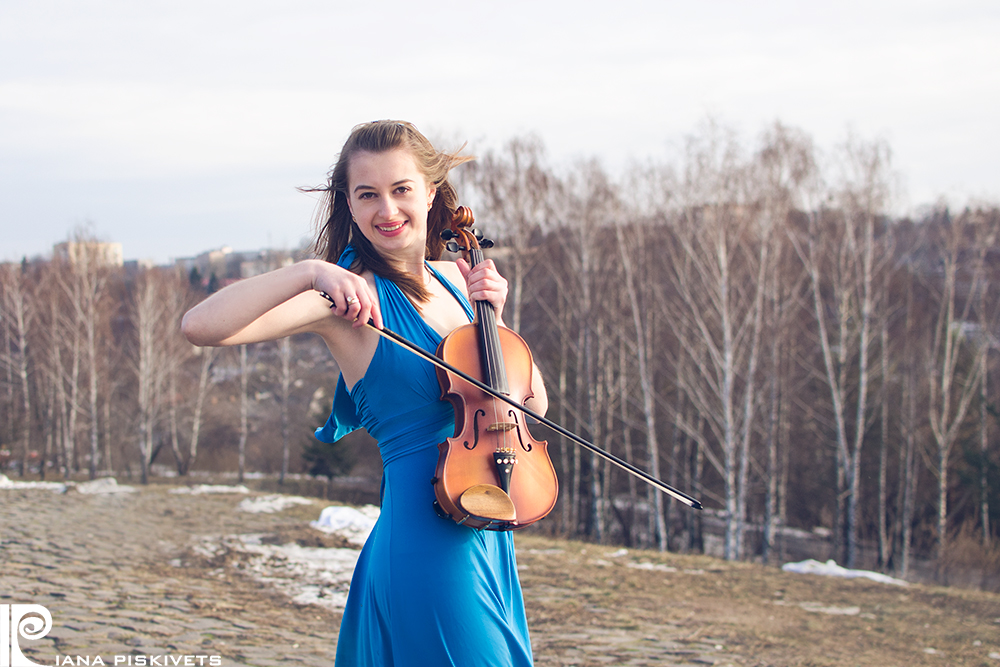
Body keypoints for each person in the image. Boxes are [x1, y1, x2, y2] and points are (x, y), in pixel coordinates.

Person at [181, 120, 546, 667]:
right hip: (426, 538)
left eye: (401, 190)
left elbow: (533, 406)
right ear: (349, 206)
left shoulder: (459, 281)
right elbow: (201, 327)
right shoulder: (346, 299)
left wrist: (495, 320)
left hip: (491, 518)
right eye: (368, 194)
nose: (387, 210)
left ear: (430, 193)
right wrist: (309, 272)